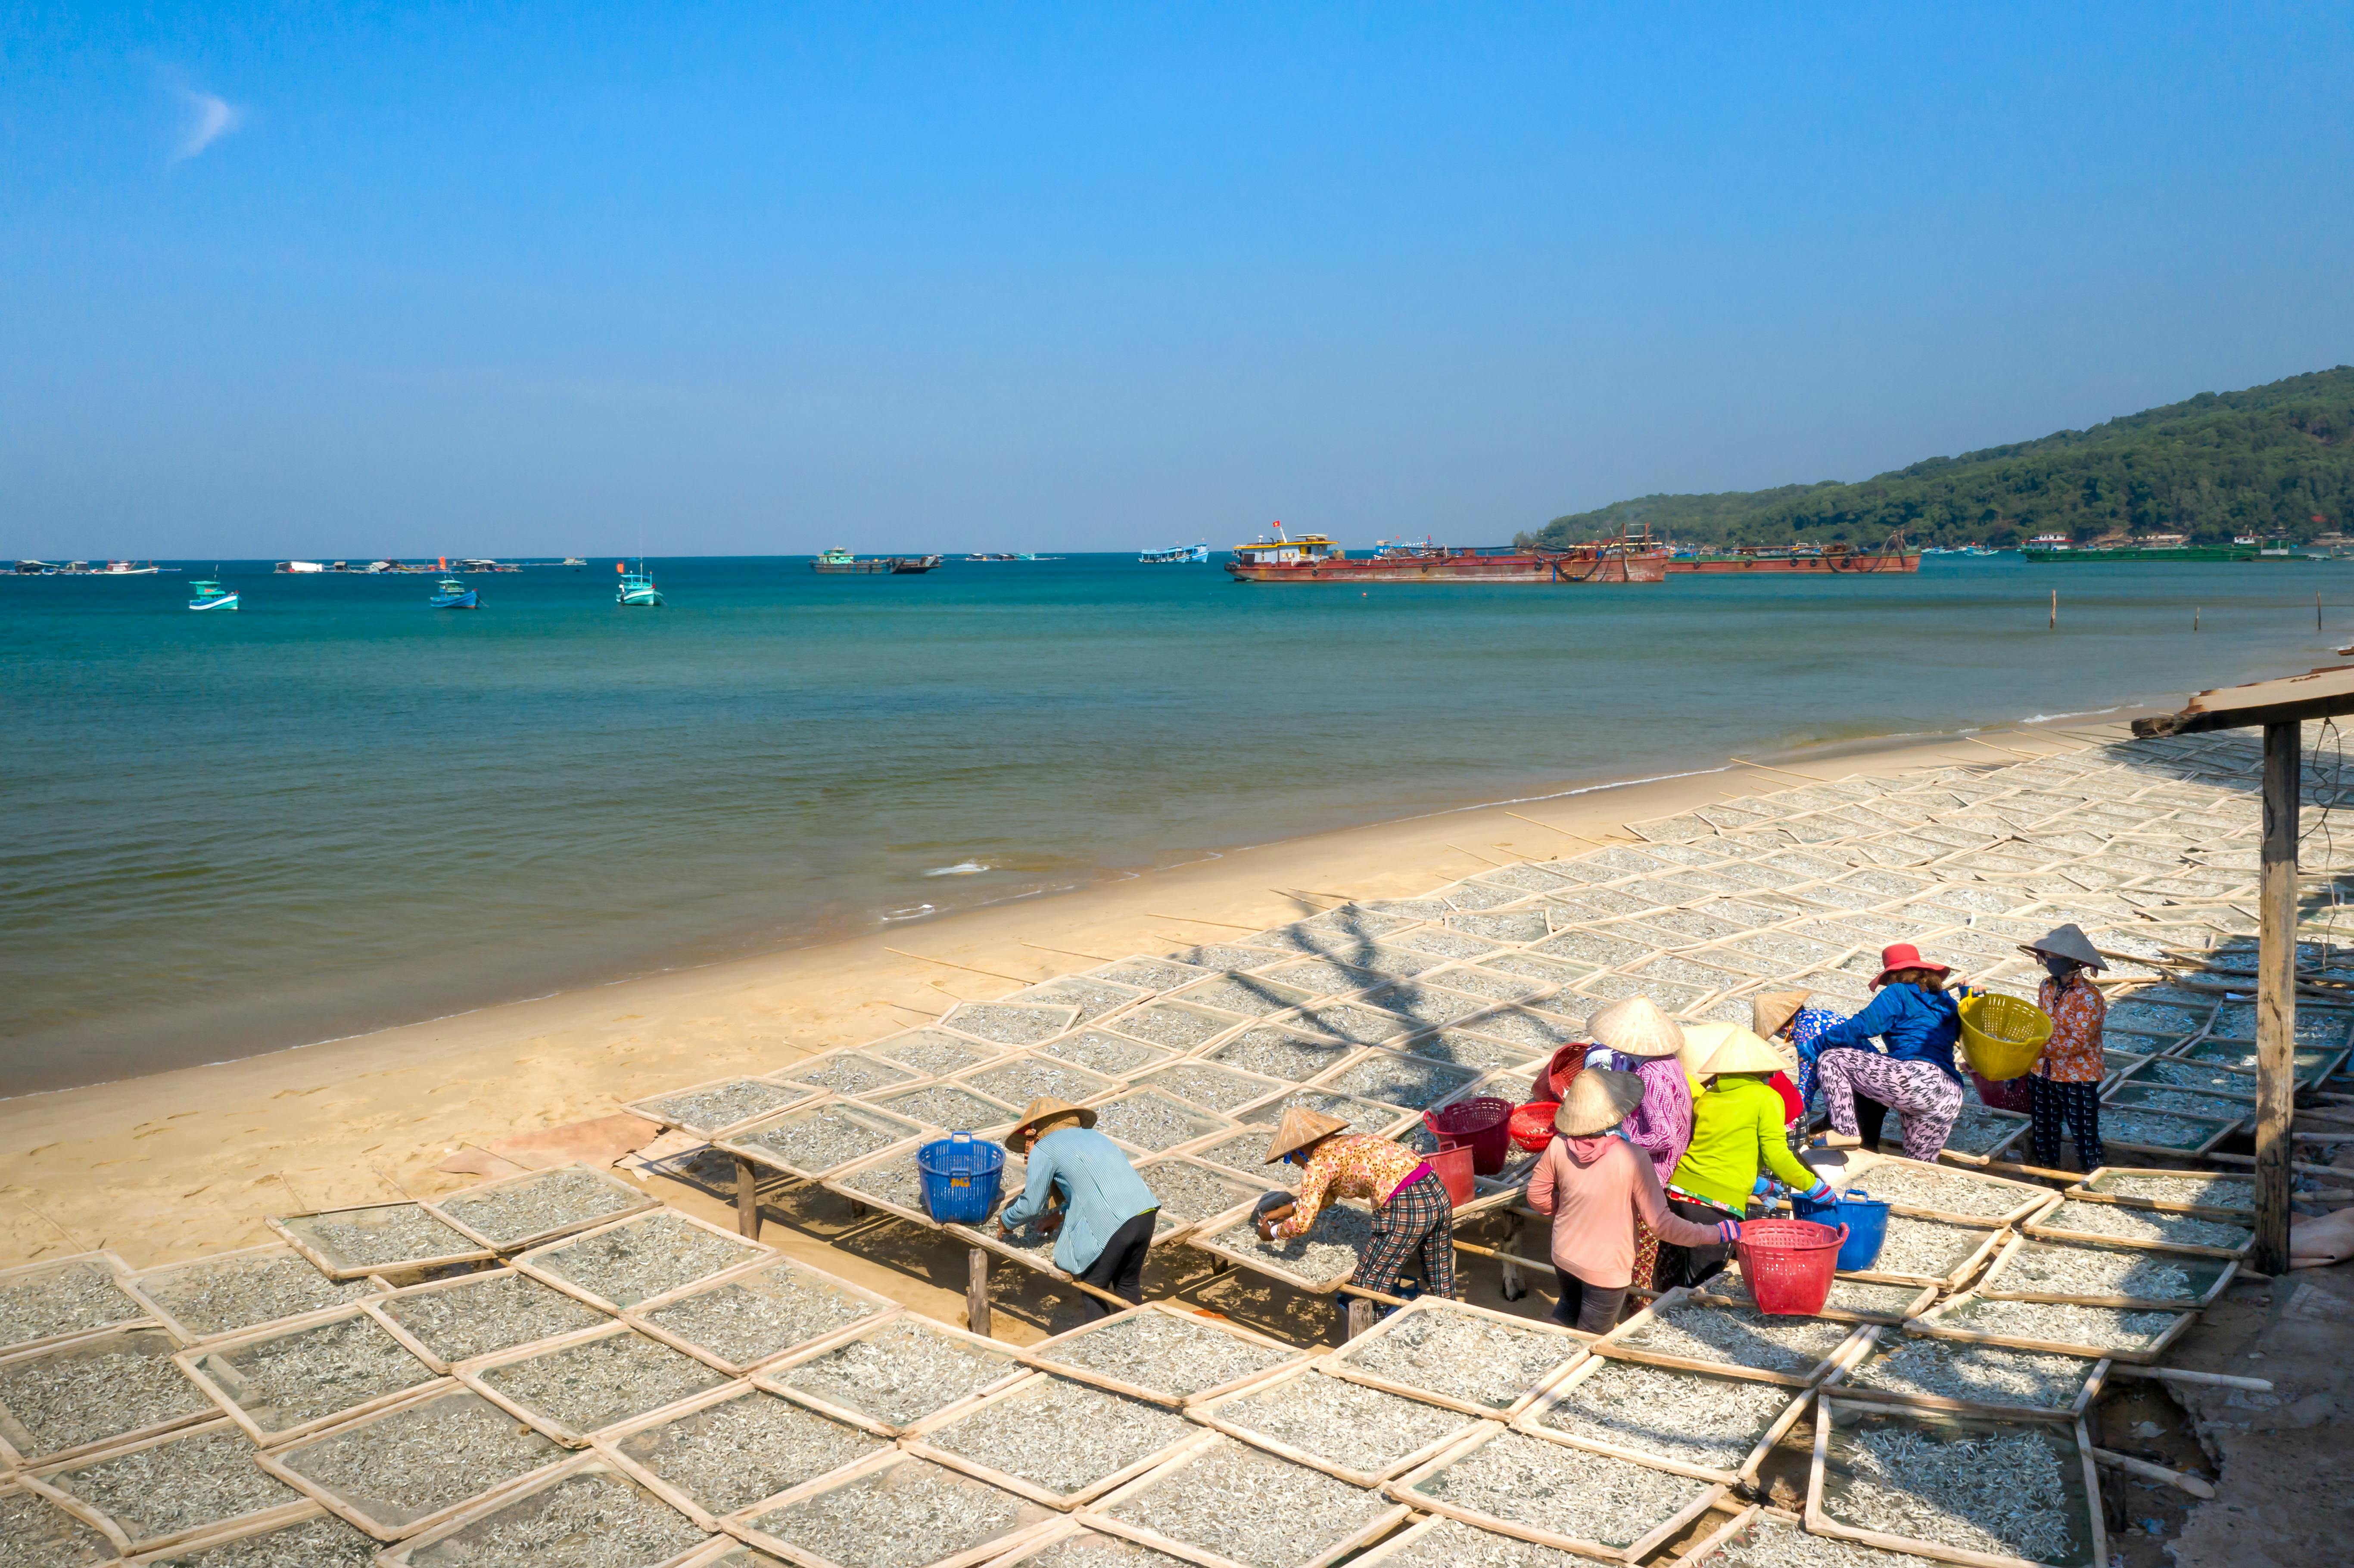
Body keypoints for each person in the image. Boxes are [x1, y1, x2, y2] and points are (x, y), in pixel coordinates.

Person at [1525, 1067, 1736, 1331]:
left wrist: (1565, 1206)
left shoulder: (1559, 1145)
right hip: (1606, 1268)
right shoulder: (1633, 1156)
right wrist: (1715, 1233)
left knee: (1567, 1308)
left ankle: (1549, 1351)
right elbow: (1661, 1224)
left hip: (1564, 1254)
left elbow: (1536, 1196)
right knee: (1592, 1333)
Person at [1660, 1027, 1832, 1289]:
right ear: (1762, 1070)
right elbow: (1777, 1156)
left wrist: (1758, 1185)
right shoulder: (1767, 1097)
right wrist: (1814, 1186)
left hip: (1679, 1191)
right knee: (1704, 1282)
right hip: (1715, 1203)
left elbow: (1721, 1152)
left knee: (1676, 1271)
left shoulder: (1709, 1097)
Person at [1255, 1108, 1453, 1300]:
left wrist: (1272, 1233)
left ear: (1301, 1149)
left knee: (1369, 1285)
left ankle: (1377, 1330)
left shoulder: (1317, 1164)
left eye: (1290, 1158)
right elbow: (1321, 1199)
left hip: (1406, 1205)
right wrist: (1284, 1211)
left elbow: (1302, 1224)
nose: (1294, 1163)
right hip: (1436, 1190)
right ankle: (1448, 1314)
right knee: (1439, 1269)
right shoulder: (1349, 1142)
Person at [1571, 997, 1695, 1289]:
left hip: (1654, 1172)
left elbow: (1664, 1136)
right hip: (1662, 1165)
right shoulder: (1668, 1062)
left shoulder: (1651, 1076)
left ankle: (1635, 1304)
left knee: (1636, 1250)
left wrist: (1622, 1141)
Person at [1808, 944, 1972, 1161]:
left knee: (1832, 1059)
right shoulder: (1948, 1003)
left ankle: (1845, 1130)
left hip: (1917, 1080)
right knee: (1918, 1166)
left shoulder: (1898, 992)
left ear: (1893, 975)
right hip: (1949, 1095)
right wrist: (1972, 999)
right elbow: (1970, 1037)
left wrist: (1815, 1045)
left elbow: (1862, 1026)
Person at [998, 1097, 1160, 1317]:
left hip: (1113, 1223)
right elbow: (1099, 1188)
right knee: (1127, 1284)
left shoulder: (1045, 1147)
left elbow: (1032, 1205)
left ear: (1035, 1132)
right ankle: (1134, 1338)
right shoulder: (1096, 1137)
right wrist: (1060, 1215)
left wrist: (1005, 1222)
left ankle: (1102, 1345)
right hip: (1145, 1212)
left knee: (1094, 1286)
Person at [2025, 923, 2108, 1171]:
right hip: (2043, 1071)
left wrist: (2037, 1049)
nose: (2048, 961)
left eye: (2053, 957)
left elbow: (2080, 1041)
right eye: (2046, 956)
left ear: (2073, 962)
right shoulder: (2046, 987)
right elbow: (2042, 1024)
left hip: (2077, 1075)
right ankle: (2047, 1173)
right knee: (2043, 1130)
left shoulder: (2089, 996)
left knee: (2084, 1132)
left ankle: (2092, 1174)